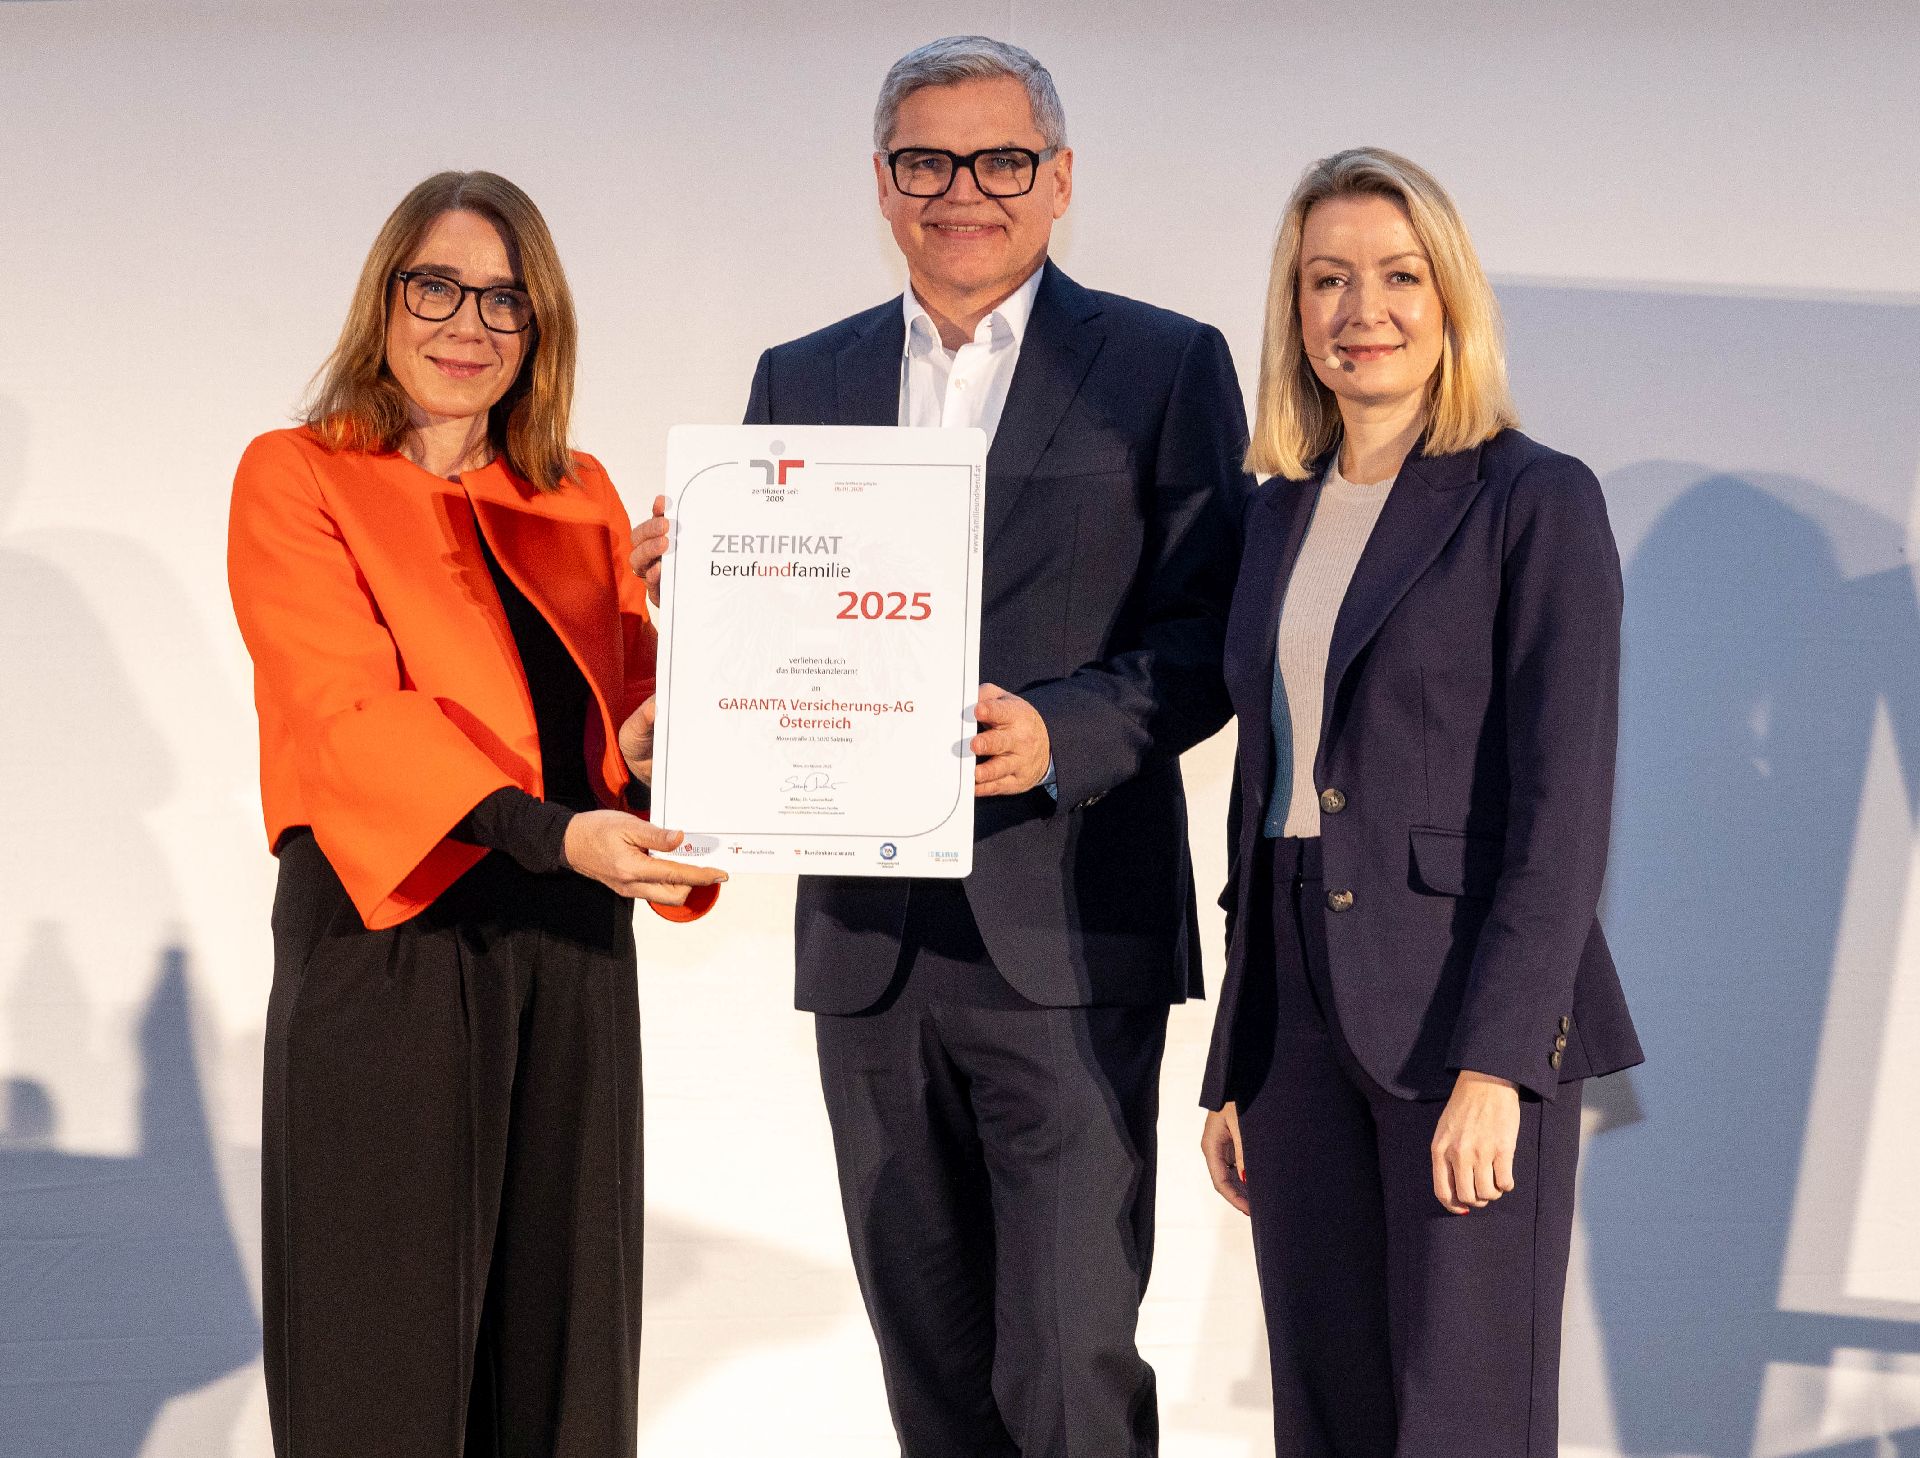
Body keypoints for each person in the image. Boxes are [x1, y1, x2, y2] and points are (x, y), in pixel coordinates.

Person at [631, 34, 1247, 1457]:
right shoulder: (802, 373)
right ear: (883, 183)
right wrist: (701, 634)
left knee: (1071, 1354)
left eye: (1000, 160)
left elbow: (1215, 633)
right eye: (927, 162)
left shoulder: (1161, 366)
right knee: (932, 1362)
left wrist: (1064, 732)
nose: (963, 190)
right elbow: (779, 622)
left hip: (1070, 932)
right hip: (870, 947)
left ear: (1060, 179)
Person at [226, 169, 724, 1458]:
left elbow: (621, 742)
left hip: (570, 956)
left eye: (506, 300)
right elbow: (347, 720)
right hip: (387, 943)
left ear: (539, 327)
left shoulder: (582, 495)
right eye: (436, 286)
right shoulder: (299, 476)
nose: (469, 323)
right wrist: (557, 830)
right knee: (377, 1363)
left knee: (562, 1371)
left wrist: (714, 654)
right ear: (385, 301)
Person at [1196, 146, 1644, 1456]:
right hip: (1291, 998)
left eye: (1397, 276)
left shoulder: (1533, 499)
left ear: (1450, 299)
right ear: (1293, 311)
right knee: (1326, 1410)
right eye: (1325, 280)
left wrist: (1501, 1059)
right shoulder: (1274, 514)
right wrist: (1238, 1055)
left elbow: (1565, 806)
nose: (1361, 311)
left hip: (1461, 997)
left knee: (1464, 1411)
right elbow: (1266, 782)